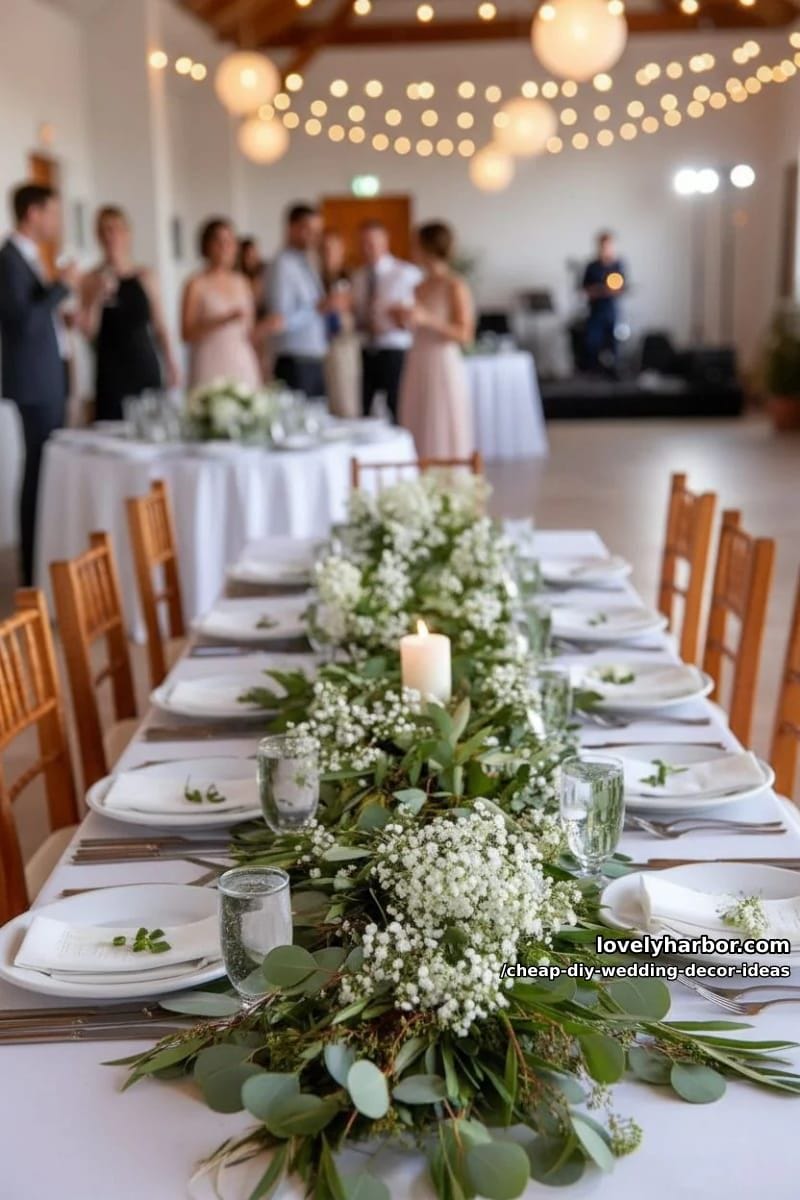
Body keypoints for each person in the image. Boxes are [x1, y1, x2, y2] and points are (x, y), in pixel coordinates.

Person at [0, 183, 78, 584]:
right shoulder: (9, 260)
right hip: (34, 382)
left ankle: (43, 558)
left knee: (45, 468)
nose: (57, 221)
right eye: (53, 212)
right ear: (33, 213)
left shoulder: (27, 258)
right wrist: (61, 286)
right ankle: (34, 570)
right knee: (39, 470)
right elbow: (22, 322)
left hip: (47, 375)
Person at [79, 205, 178, 421]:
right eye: (105, 230)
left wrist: (171, 364)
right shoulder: (90, 279)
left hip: (143, 362)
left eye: (116, 229)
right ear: (98, 236)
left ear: (127, 233)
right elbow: (87, 332)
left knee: (149, 425)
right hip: (109, 369)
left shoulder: (146, 276)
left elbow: (160, 326)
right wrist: (97, 297)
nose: (111, 236)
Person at [396, 221, 475, 460]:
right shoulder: (418, 287)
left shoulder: (454, 285)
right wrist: (402, 319)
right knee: (417, 419)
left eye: (416, 244)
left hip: (442, 362)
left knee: (441, 422)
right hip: (417, 359)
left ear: (428, 247)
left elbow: (465, 334)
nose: (412, 249)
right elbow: (417, 326)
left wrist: (427, 319)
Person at [352, 219, 421, 421]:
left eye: (371, 243)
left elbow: (418, 315)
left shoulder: (406, 274)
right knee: (365, 410)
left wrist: (400, 320)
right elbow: (358, 314)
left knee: (397, 408)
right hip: (367, 349)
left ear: (385, 242)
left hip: (395, 350)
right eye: (362, 243)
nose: (366, 249)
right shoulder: (358, 277)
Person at [181, 217, 262, 389]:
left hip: (240, 358)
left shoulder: (242, 282)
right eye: (219, 241)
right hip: (209, 360)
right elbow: (186, 333)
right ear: (207, 245)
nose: (225, 247)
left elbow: (249, 330)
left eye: (229, 241)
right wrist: (223, 320)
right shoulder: (196, 284)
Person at [268, 203, 337, 397]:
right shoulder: (282, 265)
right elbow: (280, 320)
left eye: (317, 231)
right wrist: (318, 308)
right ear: (292, 227)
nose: (314, 236)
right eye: (309, 230)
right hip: (295, 359)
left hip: (315, 356)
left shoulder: (307, 261)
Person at [321, 229, 360, 418]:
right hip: (320, 346)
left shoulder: (352, 277)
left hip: (344, 345)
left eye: (333, 249)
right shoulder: (315, 278)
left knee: (345, 401)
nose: (328, 254)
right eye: (324, 249)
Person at [581, 230, 626, 375]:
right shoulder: (592, 266)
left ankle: (613, 371)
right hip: (595, 311)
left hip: (611, 311)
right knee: (592, 342)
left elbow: (621, 288)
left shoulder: (617, 265)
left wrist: (607, 291)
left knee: (613, 343)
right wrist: (601, 290)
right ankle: (593, 371)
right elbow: (586, 289)